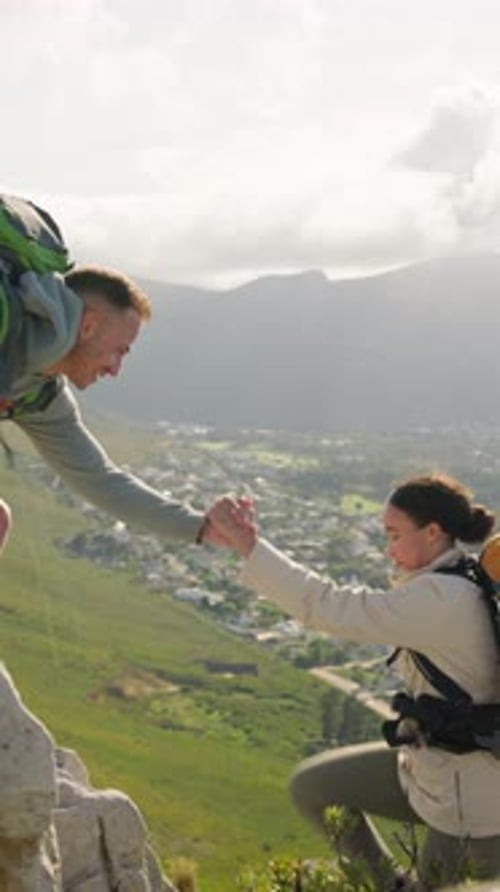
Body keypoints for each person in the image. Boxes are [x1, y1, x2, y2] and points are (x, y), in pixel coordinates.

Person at [207, 475, 500, 889]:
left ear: (433, 532)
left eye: (395, 535)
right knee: (315, 788)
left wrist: (249, 545)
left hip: (472, 810)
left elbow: (330, 607)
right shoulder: (459, 579)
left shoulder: (440, 599)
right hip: (432, 771)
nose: (389, 549)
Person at [0, 264, 216, 544]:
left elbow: (100, 480)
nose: (115, 370)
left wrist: (201, 528)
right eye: (119, 351)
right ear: (88, 326)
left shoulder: (41, 395)